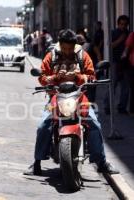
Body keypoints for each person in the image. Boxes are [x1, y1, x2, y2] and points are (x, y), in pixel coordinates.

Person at [23, 29, 119, 176]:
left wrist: (78, 76)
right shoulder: (51, 56)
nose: (67, 51)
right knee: (43, 125)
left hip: (80, 97)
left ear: (74, 45)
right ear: (60, 45)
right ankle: (37, 162)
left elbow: (91, 75)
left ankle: (101, 162)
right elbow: (42, 77)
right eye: (64, 48)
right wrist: (55, 77)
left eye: (70, 48)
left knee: (94, 124)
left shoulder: (83, 55)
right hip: (56, 97)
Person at [104, 15, 130, 114]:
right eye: (121, 24)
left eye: (125, 25)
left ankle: (122, 107)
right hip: (115, 62)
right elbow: (110, 45)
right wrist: (121, 39)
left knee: (125, 87)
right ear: (118, 24)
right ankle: (107, 107)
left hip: (126, 63)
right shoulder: (114, 33)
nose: (123, 26)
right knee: (112, 85)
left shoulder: (129, 33)